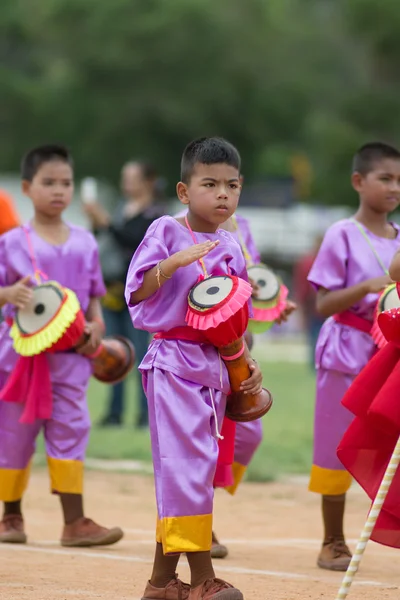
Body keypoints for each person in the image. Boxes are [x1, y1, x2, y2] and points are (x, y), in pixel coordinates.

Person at [125, 137, 263, 600]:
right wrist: (172, 264)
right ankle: (203, 577)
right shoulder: (165, 229)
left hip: (216, 369)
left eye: (232, 185)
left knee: (194, 469)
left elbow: (236, 312)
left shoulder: (231, 245)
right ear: (185, 192)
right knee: (185, 468)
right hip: (173, 364)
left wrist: (248, 360)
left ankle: (161, 583)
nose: (222, 193)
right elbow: (136, 293)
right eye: (210, 184)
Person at [0, 144, 123, 547]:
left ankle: (75, 522)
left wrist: (97, 326)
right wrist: (7, 295)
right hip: (20, 358)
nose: (58, 191)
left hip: (71, 358)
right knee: (14, 434)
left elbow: (93, 298)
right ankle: (11, 516)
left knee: (73, 428)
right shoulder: (12, 241)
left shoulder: (86, 242)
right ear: (26, 187)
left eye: (66, 183)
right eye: (48, 182)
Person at [307, 141, 400, 571]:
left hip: (389, 357)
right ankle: (332, 540)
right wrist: (366, 287)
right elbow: (323, 303)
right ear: (359, 182)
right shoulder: (342, 233)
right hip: (346, 350)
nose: (394, 188)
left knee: (387, 440)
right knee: (333, 441)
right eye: (385, 178)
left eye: (399, 180)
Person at [83, 161, 163, 428]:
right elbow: (106, 239)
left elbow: (131, 240)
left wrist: (105, 222)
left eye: (131, 177)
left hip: (137, 294)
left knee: (141, 355)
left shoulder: (154, 214)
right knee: (113, 354)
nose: (126, 183)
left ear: (148, 181)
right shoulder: (121, 209)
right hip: (111, 290)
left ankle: (144, 415)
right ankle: (114, 413)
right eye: (124, 177)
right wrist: (98, 223)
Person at [293, 234, 325, 367]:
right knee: (315, 338)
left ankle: (317, 364)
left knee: (315, 338)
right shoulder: (309, 262)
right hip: (315, 308)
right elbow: (303, 288)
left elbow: (302, 288)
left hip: (320, 307)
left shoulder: (308, 261)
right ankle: (317, 364)